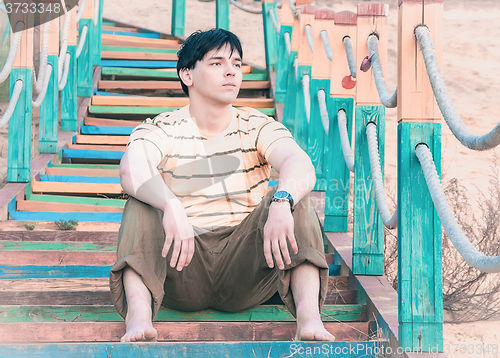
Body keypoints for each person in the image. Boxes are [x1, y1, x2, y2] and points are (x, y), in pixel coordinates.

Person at [110, 28, 335, 343]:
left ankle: (309, 318)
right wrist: (170, 204)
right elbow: (131, 167)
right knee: (140, 201)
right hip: (180, 265)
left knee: (295, 196)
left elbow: (299, 164)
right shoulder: (164, 127)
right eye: (217, 63)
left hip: (247, 267)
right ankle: (138, 317)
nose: (231, 71)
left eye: (237, 64)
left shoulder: (257, 125)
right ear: (187, 74)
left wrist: (283, 201)